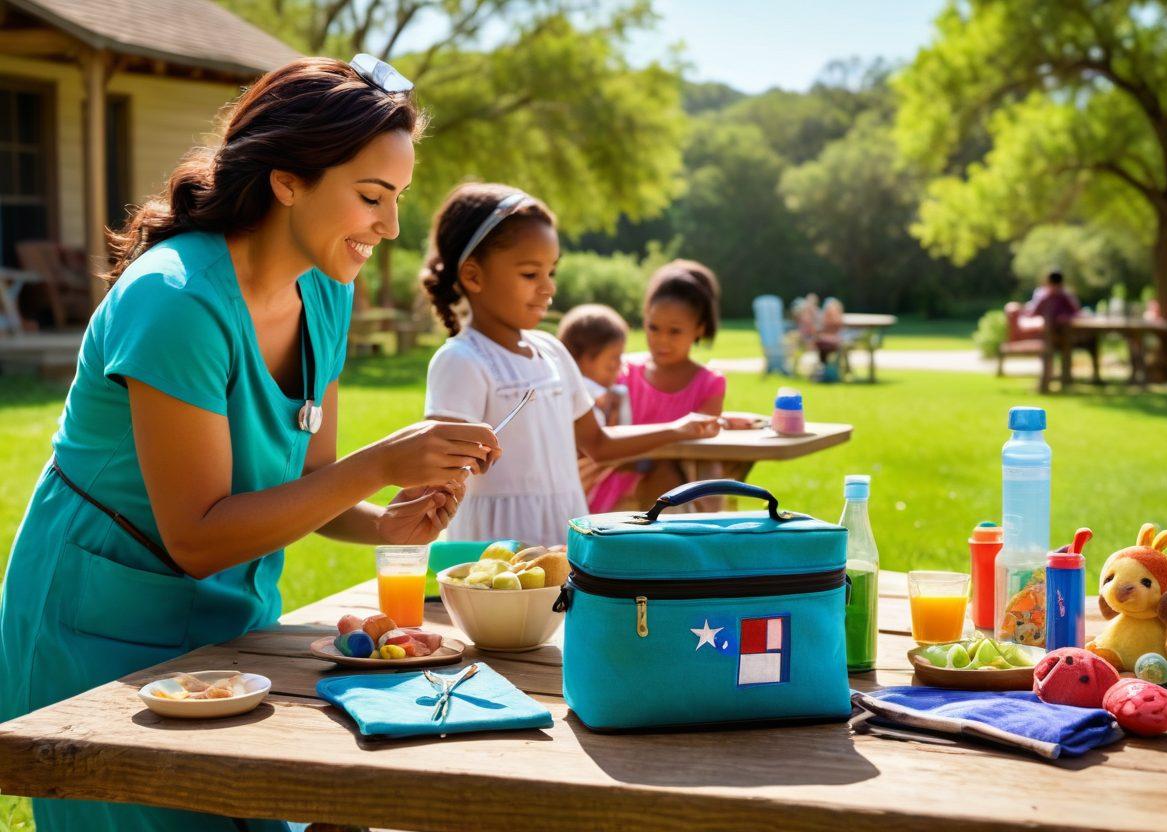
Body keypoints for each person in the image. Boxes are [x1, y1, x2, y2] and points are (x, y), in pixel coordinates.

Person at [0, 56, 501, 832]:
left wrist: (384, 523)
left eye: (396, 199)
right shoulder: (175, 302)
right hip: (95, 625)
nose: (390, 227)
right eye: (371, 197)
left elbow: (312, 479)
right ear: (287, 179)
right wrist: (383, 461)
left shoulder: (327, 290)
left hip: (232, 620)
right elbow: (198, 535)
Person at [420, 184, 719, 544]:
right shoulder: (461, 361)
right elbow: (437, 471)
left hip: (565, 537)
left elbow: (598, 442)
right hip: (493, 551)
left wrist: (677, 429)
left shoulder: (553, 352)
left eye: (552, 272)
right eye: (531, 274)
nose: (548, 288)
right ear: (473, 276)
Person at [588, 260, 726, 513]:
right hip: (615, 484)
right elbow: (602, 435)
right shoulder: (623, 372)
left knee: (666, 474)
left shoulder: (709, 383)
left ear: (699, 329)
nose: (661, 340)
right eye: (654, 328)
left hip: (679, 487)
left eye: (675, 331)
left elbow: (702, 442)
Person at [557, 303, 631, 426]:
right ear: (579, 360)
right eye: (612, 362)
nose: (619, 365)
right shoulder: (582, 397)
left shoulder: (611, 396)